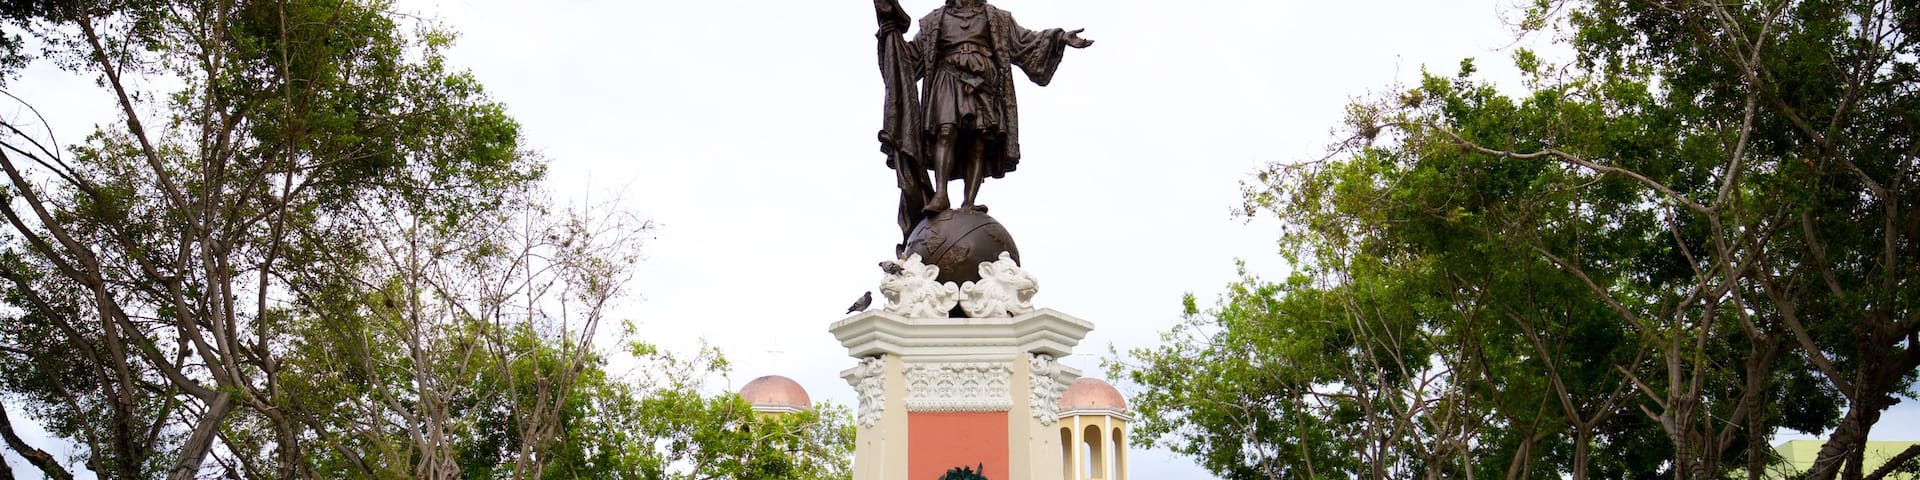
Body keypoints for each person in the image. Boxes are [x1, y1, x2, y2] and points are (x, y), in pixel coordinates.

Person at [875, 0, 1093, 243]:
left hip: (983, 81)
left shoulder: (996, 17)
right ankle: (941, 194)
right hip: (948, 77)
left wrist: (1059, 37)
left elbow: (1025, 42)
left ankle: (969, 201)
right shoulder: (934, 20)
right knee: (945, 131)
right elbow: (910, 58)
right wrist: (890, 34)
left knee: (978, 141)